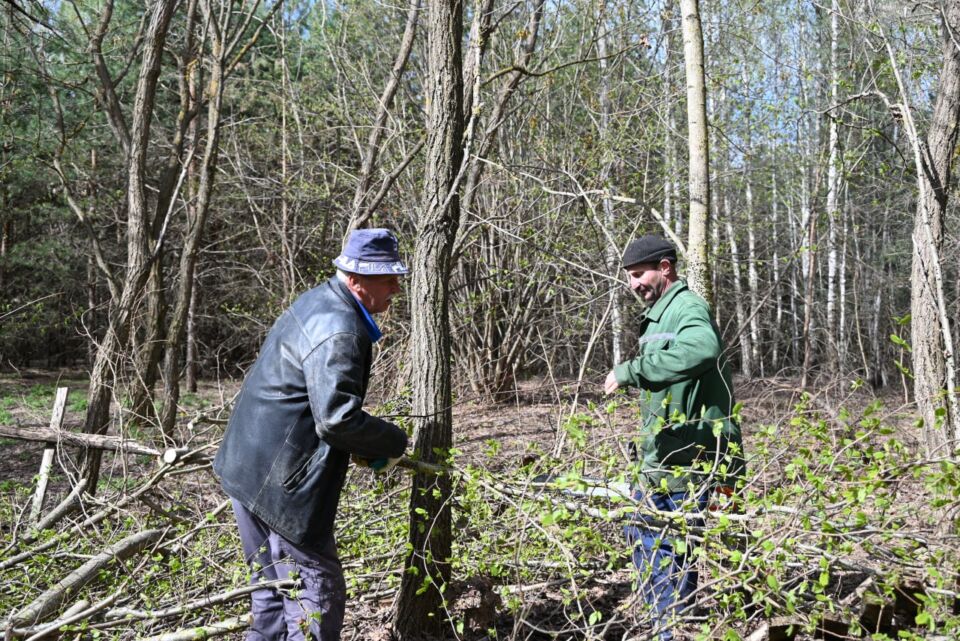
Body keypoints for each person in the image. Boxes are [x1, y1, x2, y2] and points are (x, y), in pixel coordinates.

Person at [214, 228, 410, 641]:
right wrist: (392, 441)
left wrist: (356, 444)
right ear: (356, 279)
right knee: (314, 594)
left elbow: (309, 403)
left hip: (246, 467)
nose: (396, 287)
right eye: (387, 278)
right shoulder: (342, 329)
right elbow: (336, 419)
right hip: (282, 485)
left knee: (271, 594)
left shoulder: (316, 301)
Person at [603, 235, 744, 639]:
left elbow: (703, 349)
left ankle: (672, 630)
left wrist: (630, 370)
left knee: (672, 549)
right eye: (629, 277)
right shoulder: (658, 316)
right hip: (660, 456)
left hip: (690, 456)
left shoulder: (686, 307)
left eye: (638, 274)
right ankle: (663, 626)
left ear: (665, 267)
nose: (634, 285)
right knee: (643, 537)